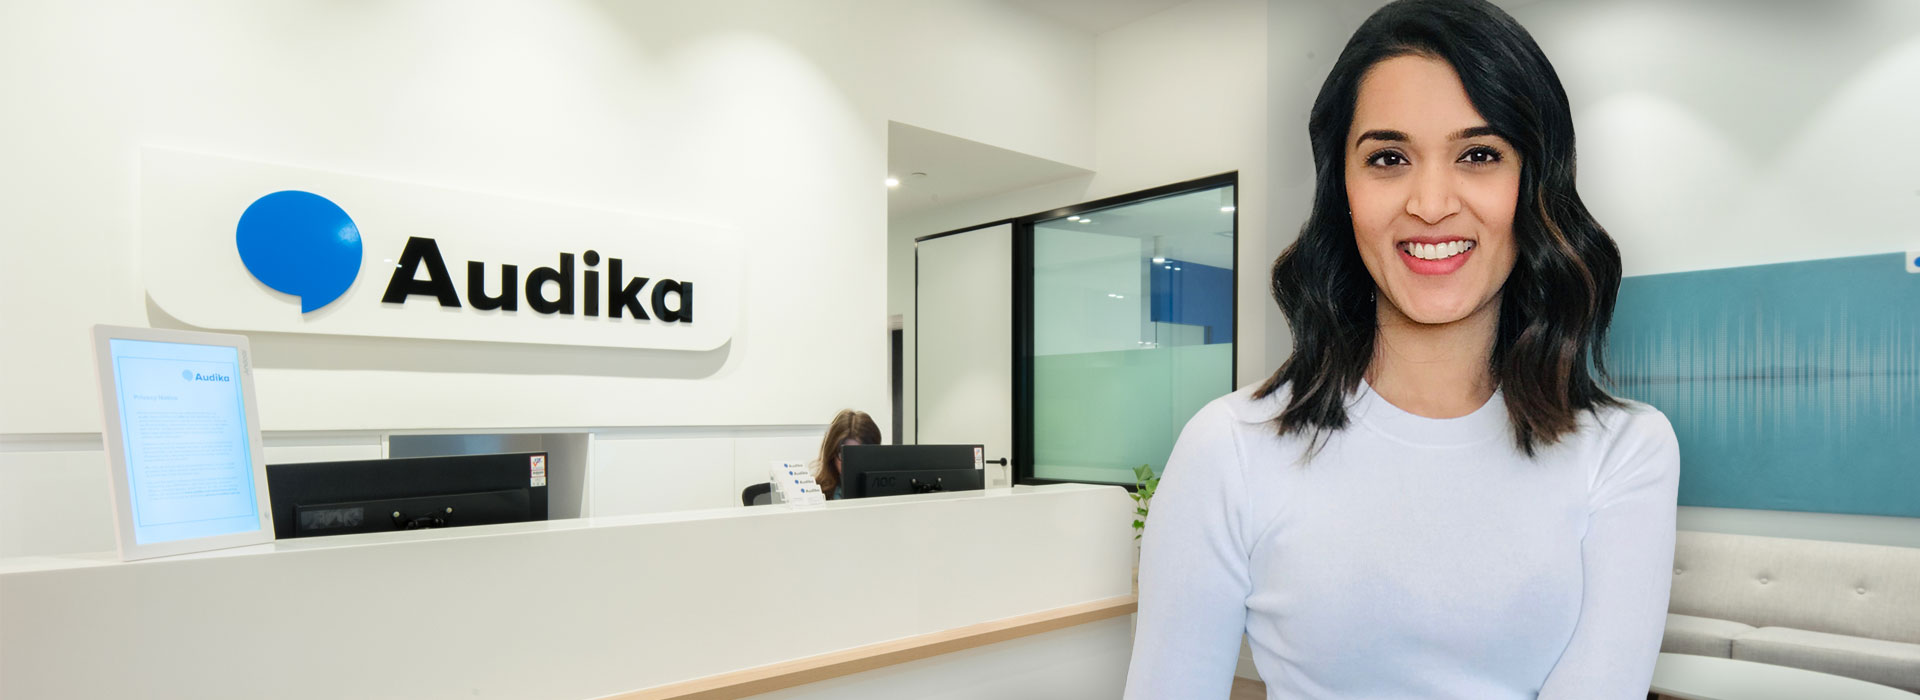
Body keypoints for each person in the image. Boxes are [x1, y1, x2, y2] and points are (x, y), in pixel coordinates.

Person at [1124, 1, 1679, 698]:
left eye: (1479, 154)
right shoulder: (1230, 448)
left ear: (1533, 184)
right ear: (1343, 192)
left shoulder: (1625, 451)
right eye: (1388, 158)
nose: (1430, 202)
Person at [812, 409, 881, 500]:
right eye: (844, 455)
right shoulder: (815, 492)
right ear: (832, 454)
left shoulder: (889, 493)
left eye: (860, 456)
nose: (852, 464)